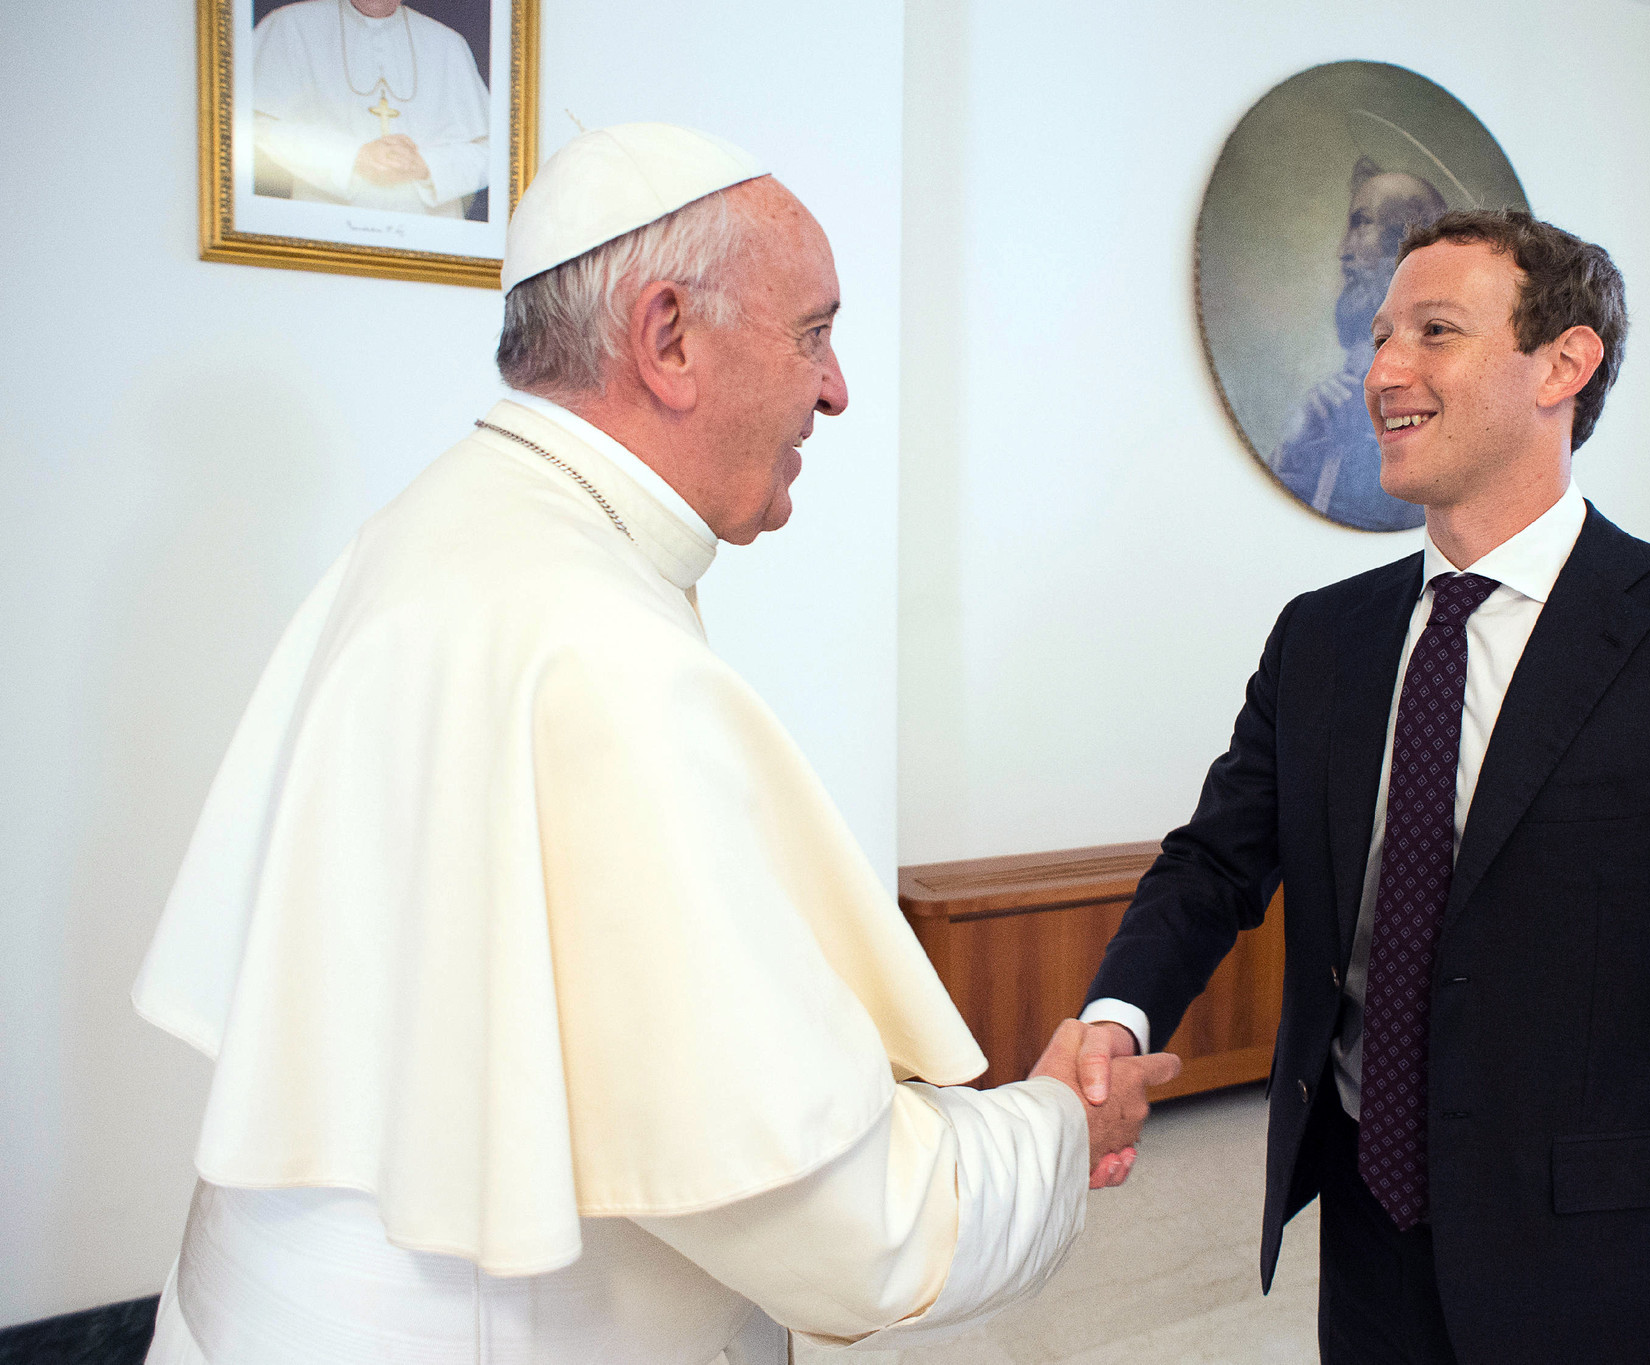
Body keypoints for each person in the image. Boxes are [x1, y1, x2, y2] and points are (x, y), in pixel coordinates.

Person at [133, 123, 1177, 1365]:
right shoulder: (591, 647)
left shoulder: (438, 526)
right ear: (668, 337)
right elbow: (859, 1226)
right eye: (814, 333)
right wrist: (1057, 1119)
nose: (835, 388)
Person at [1075, 210, 1650, 1362]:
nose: (1381, 370)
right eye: (1380, 335)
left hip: (1602, 1268)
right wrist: (1115, 1013)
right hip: (1365, 1226)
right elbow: (1215, 859)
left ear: (1562, 363)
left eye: (1432, 332)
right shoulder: (1321, 640)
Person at [1269, 158, 1443, 533]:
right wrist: (1301, 443)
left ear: (1407, 240)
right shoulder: (1338, 391)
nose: (1343, 251)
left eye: (1361, 224)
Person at [251, 0, 489, 218]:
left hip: (429, 239)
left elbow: (491, 151)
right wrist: (353, 157)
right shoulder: (290, 26)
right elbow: (256, 126)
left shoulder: (447, 43)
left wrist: (426, 165)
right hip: (324, 226)